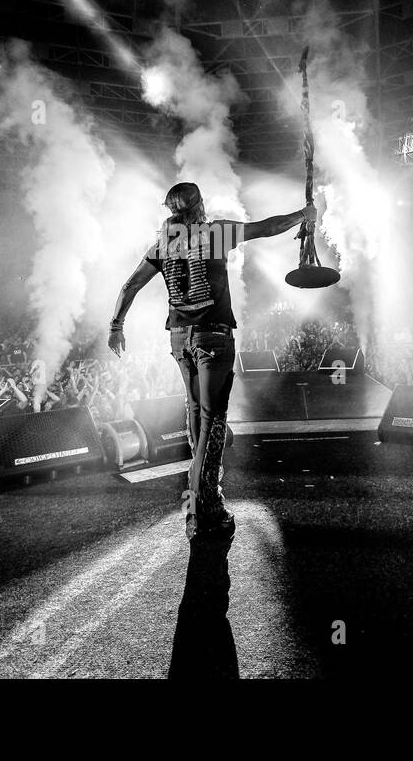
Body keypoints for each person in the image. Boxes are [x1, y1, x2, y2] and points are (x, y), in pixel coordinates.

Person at [108, 181, 316, 540]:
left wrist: (116, 326)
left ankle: (196, 497)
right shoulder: (215, 233)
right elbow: (266, 228)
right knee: (212, 420)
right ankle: (206, 501)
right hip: (213, 336)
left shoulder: (164, 243)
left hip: (179, 339)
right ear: (199, 205)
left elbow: (130, 286)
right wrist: (303, 214)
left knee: (194, 414)